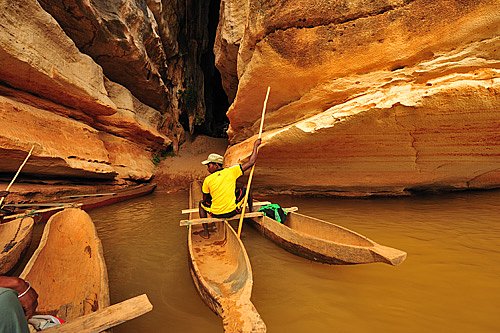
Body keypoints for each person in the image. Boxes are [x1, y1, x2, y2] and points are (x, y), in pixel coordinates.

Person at [199, 138, 262, 238]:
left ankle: (206, 232)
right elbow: (251, 162)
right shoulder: (231, 171)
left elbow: (205, 199)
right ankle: (251, 210)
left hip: (216, 213)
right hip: (233, 212)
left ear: (216, 165)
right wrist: (255, 145)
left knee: (201, 203)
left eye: (209, 165)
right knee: (246, 188)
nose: (208, 168)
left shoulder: (207, 180)